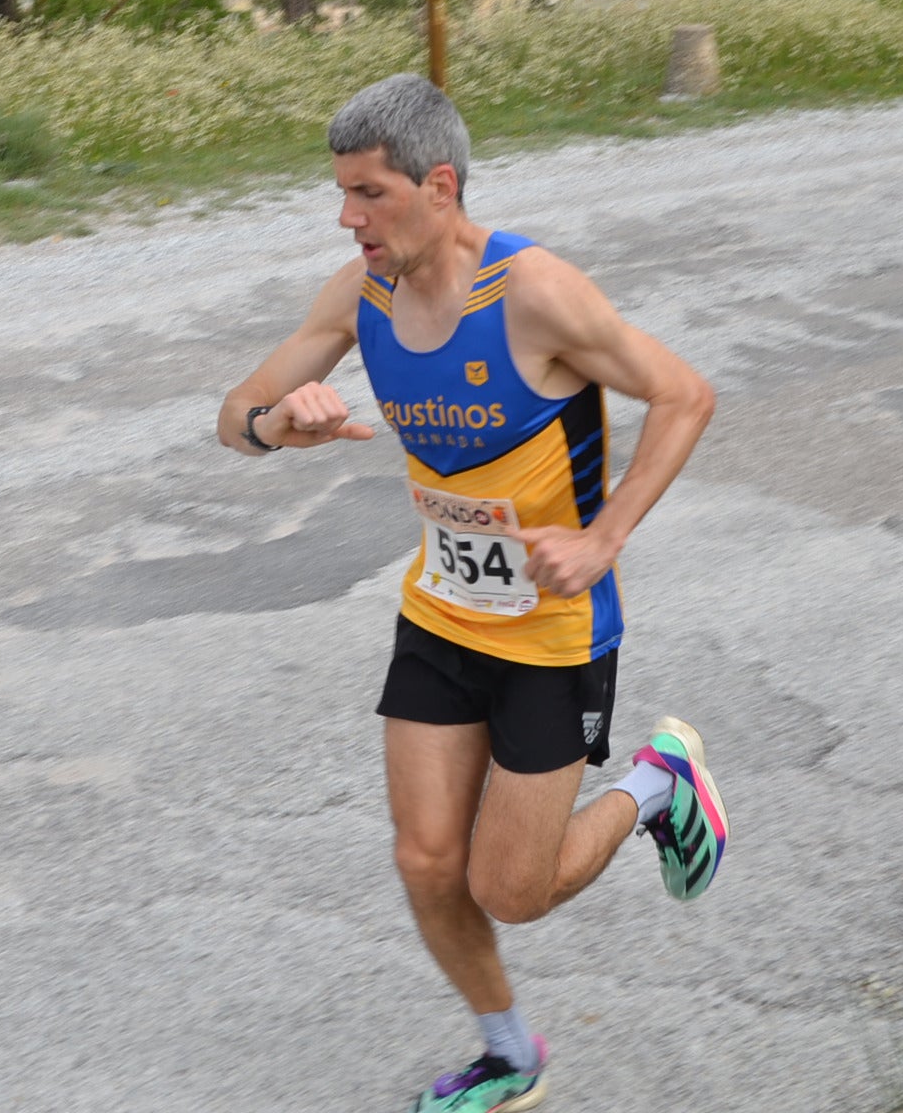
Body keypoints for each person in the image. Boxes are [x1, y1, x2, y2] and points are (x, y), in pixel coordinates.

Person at [218, 74, 726, 1111]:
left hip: (555, 631)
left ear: (438, 186)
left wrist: (603, 535)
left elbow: (684, 393)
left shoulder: (533, 294)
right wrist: (283, 422)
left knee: (512, 889)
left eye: (369, 195)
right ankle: (509, 1053)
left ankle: (660, 786)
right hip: (442, 613)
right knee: (424, 860)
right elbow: (236, 412)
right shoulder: (357, 297)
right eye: (342, 195)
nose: (347, 218)